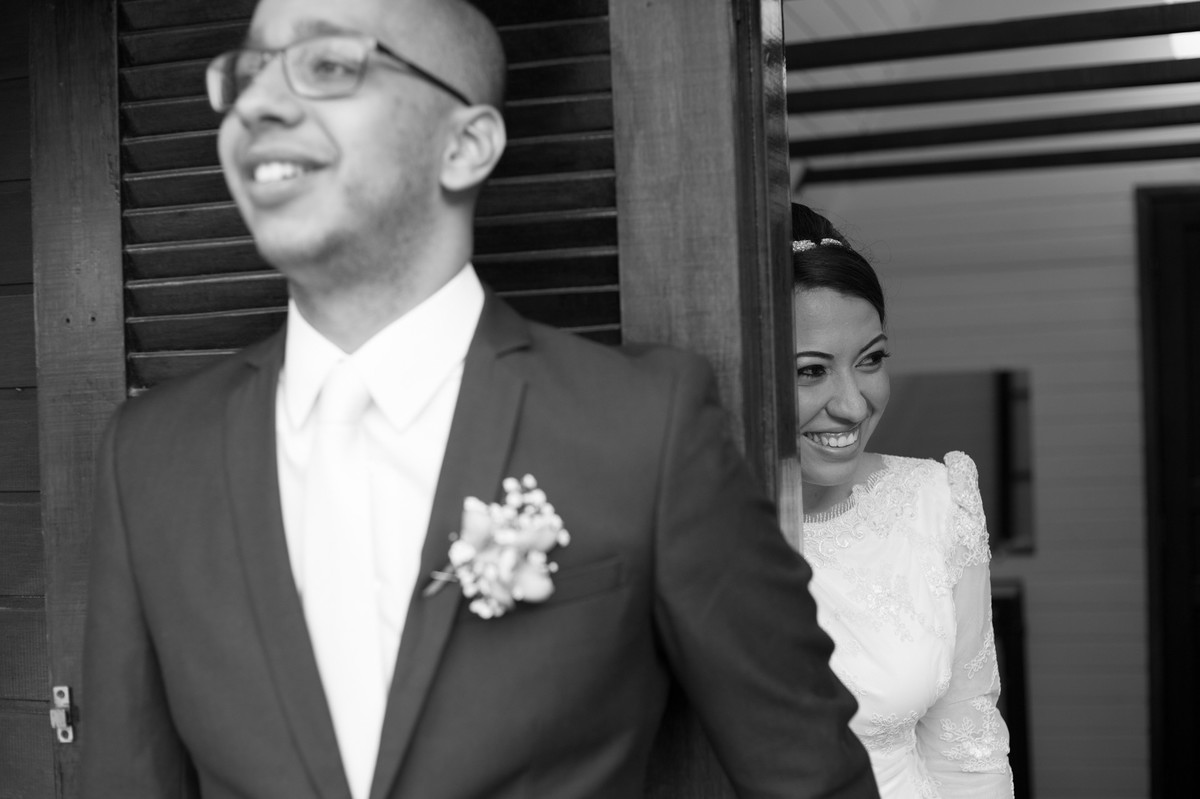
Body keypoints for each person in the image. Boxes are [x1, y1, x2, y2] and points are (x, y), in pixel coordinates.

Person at [77, 0, 879, 797]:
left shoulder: (642, 427)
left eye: (326, 65)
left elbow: (811, 777)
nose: (257, 105)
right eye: (248, 73)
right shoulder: (149, 454)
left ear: (464, 146)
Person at [787, 202, 1014, 797]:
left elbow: (970, 746)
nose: (853, 405)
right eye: (811, 371)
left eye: (871, 361)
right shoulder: (687, 526)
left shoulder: (936, 500)